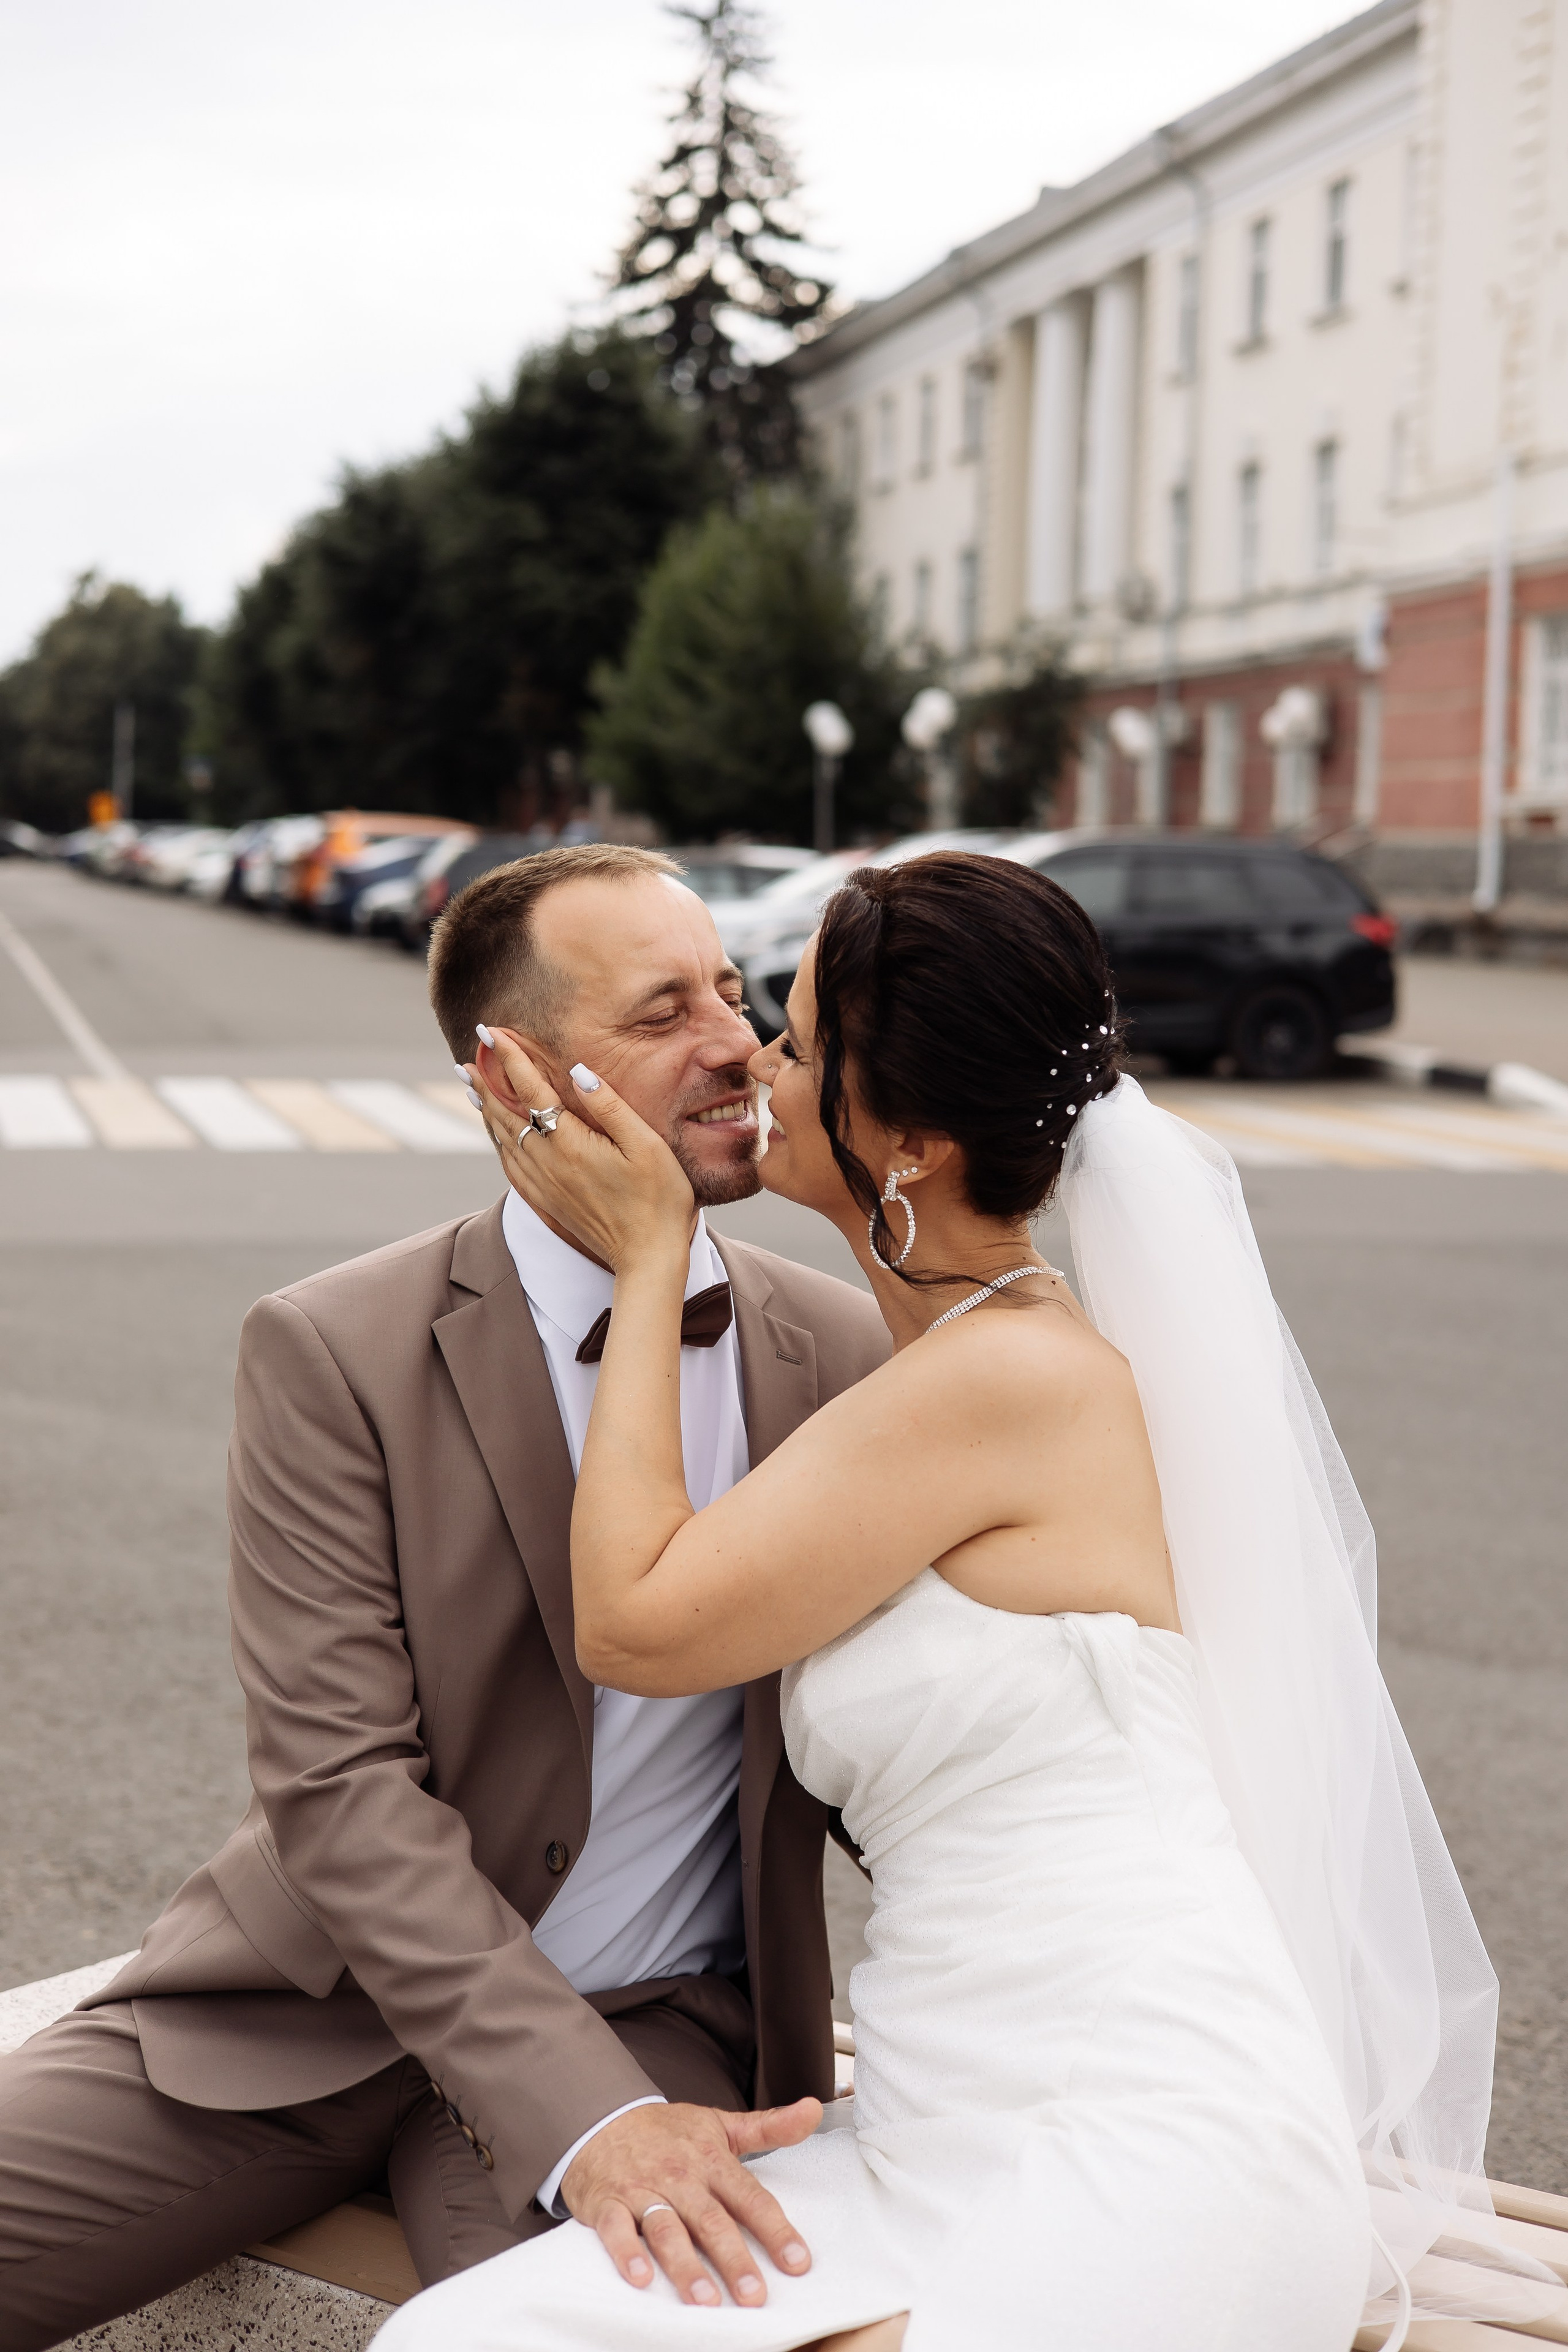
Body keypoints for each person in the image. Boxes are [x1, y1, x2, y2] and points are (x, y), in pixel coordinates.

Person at [375, 850, 1547, 2352]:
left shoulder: (1002, 1380)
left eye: (795, 1040)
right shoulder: (959, 1370)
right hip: (941, 2130)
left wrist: (651, 1250)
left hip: (1141, 2139)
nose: (755, 1062)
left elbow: (634, 1624)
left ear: (908, 1145)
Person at [0, 845, 889, 2352]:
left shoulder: (838, 1360)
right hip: (291, 2015)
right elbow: (340, 1790)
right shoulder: (332, 1348)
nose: (737, 1044)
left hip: (652, 2025)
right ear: (511, 1072)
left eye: (732, 994)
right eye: (663, 1010)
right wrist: (583, 2116)